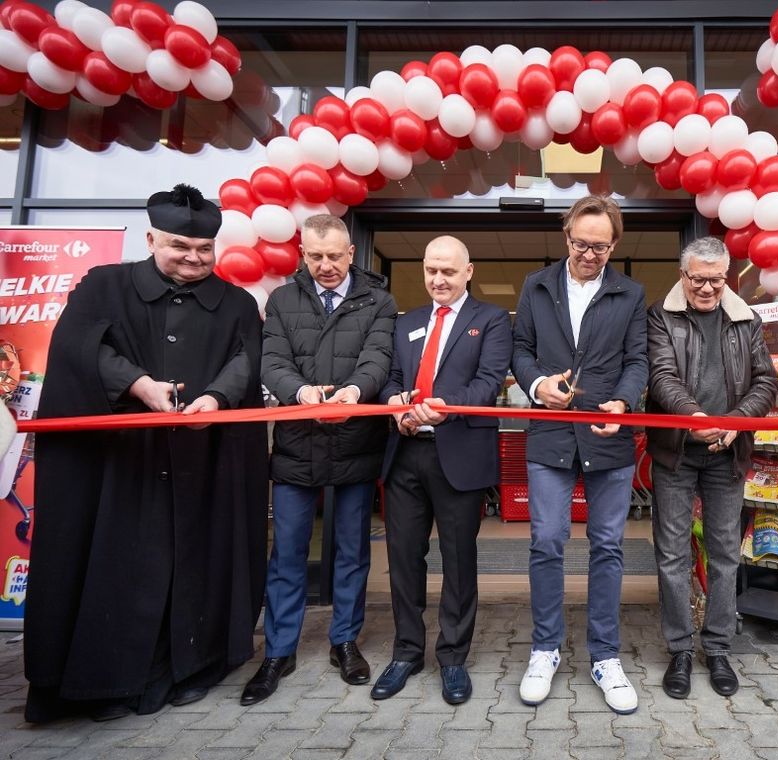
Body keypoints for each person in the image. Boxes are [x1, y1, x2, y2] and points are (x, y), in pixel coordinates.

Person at [24, 184, 268, 722]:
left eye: (205, 249)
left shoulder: (237, 303)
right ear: (151, 237)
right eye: (181, 246)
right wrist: (138, 385)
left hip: (200, 465)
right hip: (119, 468)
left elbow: (246, 360)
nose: (194, 258)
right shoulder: (102, 287)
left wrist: (215, 398)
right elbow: (80, 348)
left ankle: (191, 667)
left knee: (195, 565)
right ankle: (99, 683)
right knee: (113, 564)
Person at [241, 214, 396, 706]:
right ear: (302, 255)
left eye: (334, 255)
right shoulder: (283, 301)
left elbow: (379, 358)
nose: (325, 265)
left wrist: (354, 390)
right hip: (295, 444)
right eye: (315, 256)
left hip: (355, 443)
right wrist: (300, 392)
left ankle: (344, 642)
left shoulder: (379, 301)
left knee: (352, 551)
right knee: (286, 552)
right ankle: (278, 651)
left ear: (352, 253)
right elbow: (272, 361)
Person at [511, 194, 648, 714]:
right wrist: (537, 382)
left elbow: (637, 358)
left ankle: (605, 657)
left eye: (601, 246)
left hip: (607, 435)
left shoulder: (630, 294)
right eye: (581, 243)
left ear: (614, 245)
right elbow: (520, 347)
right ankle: (544, 649)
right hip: (549, 433)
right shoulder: (536, 284)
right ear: (566, 236)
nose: (590, 254)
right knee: (546, 540)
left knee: (608, 545)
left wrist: (626, 400)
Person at [372, 235, 511, 705]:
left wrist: (444, 408)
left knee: (458, 561)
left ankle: (452, 657)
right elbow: (392, 378)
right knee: (404, 560)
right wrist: (393, 402)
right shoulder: (405, 323)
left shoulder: (490, 320)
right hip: (405, 452)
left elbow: (489, 383)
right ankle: (407, 652)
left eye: (448, 271)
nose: (438, 280)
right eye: (432, 270)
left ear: (468, 271)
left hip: (459, 454)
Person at [645, 237, 778, 699]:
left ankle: (718, 647)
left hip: (729, 450)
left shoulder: (747, 319)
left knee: (725, 553)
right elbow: (660, 376)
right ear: (683, 275)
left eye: (716, 279)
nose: (707, 288)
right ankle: (680, 648)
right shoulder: (660, 317)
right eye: (698, 278)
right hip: (677, 452)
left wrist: (733, 425)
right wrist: (695, 418)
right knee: (672, 554)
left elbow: (767, 380)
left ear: (728, 276)